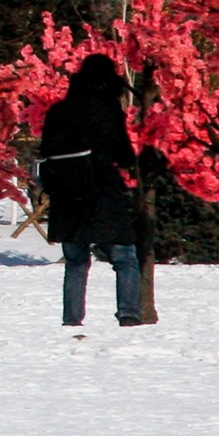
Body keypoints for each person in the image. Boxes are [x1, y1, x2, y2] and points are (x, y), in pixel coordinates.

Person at [36, 53, 143, 328]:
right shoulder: (107, 110)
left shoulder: (58, 111)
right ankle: (129, 313)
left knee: (76, 261)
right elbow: (124, 154)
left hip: (66, 194)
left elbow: (45, 151)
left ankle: (72, 319)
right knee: (124, 256)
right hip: (102, 190)